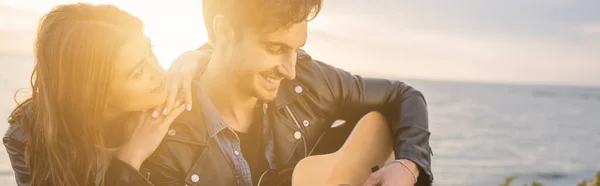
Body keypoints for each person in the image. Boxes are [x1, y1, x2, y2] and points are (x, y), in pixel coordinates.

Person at [137, 0, 434, 185]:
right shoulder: (164, 145)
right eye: (275, 49)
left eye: (296, 49)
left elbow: (402, 97)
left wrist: (408, 165)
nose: (290, 70)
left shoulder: (309, 82)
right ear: (225, 32)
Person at [3, 3, 207, 186]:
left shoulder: (177, 96)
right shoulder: (28, 137)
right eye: (138, 72)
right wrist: (129, 159)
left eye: (150, 51)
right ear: (93, 92)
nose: (158, 70)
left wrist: (199, 57)